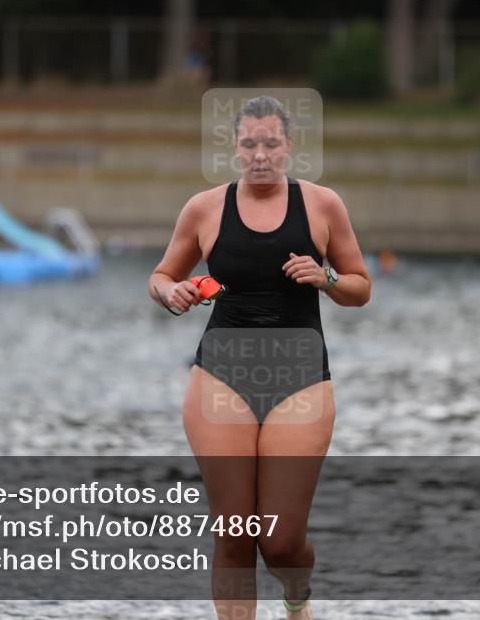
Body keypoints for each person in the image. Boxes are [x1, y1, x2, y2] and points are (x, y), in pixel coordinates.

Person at [148, 96, 371, 620]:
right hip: (220, 375)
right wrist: (173, 293)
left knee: (281, 541)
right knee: (233, 532)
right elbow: (160, 277)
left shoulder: (322, 205)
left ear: (289, 146)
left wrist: (328, 278)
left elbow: (361, 287)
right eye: (250, 144)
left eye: (272, 143)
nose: (261, 155)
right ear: (235, 148)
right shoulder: (204, 208)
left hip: (300, 380)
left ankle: (298, 598)